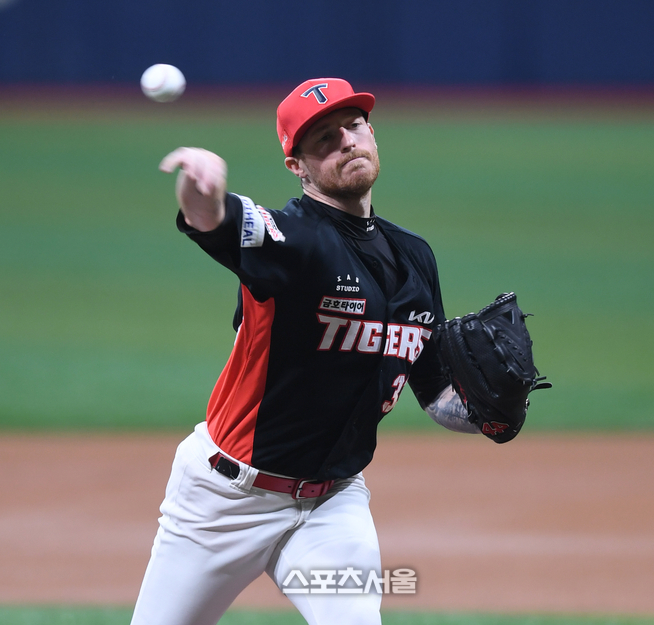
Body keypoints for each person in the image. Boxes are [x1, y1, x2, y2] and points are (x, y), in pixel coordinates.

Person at [130, 78, 478, 625]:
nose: (346, 141)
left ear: (372, 134)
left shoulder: (415, 257)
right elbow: (214, 220)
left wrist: (489, 414)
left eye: (353, 126)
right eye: (323, 138)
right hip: (224, 504)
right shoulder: (291, 240)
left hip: (332, 506)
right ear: (298, 166)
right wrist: (201, 189)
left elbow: (436, 394)